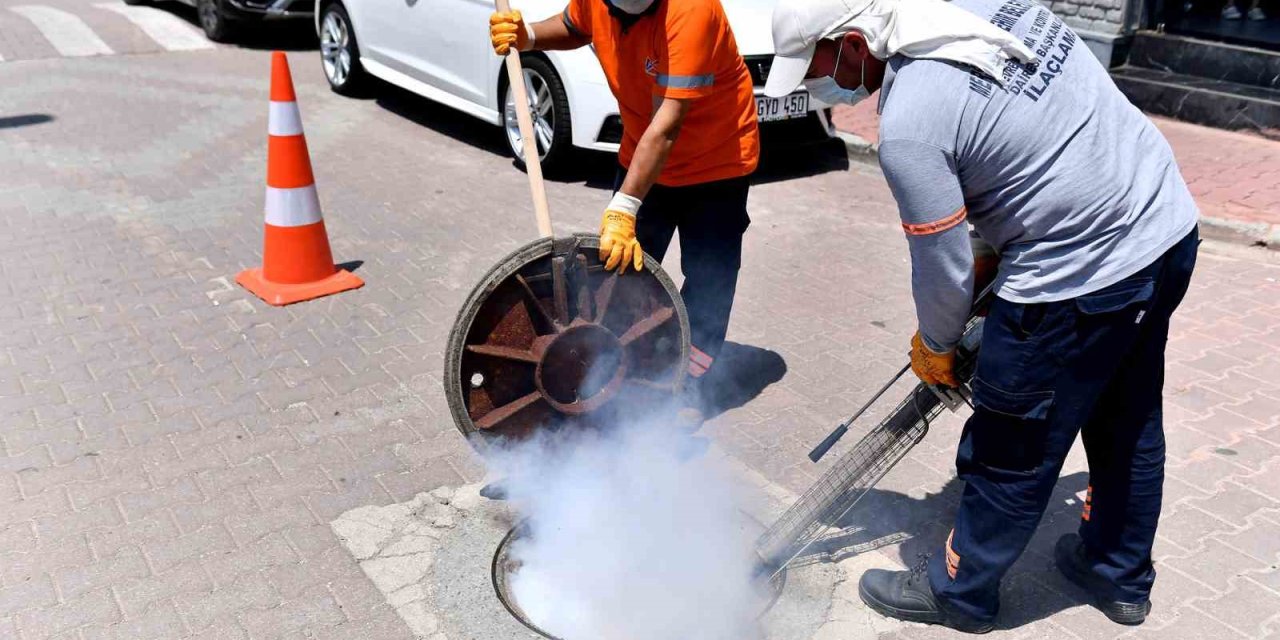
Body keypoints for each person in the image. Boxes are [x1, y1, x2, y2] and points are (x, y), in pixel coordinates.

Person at [765, 0, 1200, 632]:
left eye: (814, 68)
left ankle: (959, 593)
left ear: (853, 42)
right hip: (1163, 229)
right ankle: (1118, 574)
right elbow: (1021, 142)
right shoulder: (983, 7)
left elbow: (942, 269)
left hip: (1081, 271)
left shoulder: (911, 122)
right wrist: (994, 252)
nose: (814, 85)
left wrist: (939, 343)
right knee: (1126, 415)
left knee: (1013, 439)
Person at [490, 0, 760, 425]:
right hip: (643, 153)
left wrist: (625, 205)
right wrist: (530, 36)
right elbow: (574, 25)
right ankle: (616, 373)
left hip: (716, 161)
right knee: (616, 275)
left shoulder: (692, 10)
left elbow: (668, 125)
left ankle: (686, 386)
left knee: (710, 279)